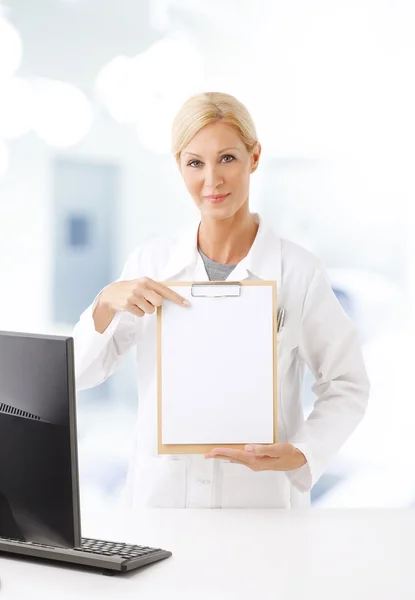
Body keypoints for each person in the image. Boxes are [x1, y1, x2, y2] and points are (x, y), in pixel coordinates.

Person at [73, 92, 370, 509]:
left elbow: (347, 383)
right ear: (179, 166)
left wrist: (303, 451)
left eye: (227, 158)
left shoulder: (298, 272)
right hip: (161, 504)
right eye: (195, 162)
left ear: (254, 157)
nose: (212, 180)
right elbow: (81, 375)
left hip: (259, 506)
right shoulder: (151, 263)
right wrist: (105, 304)